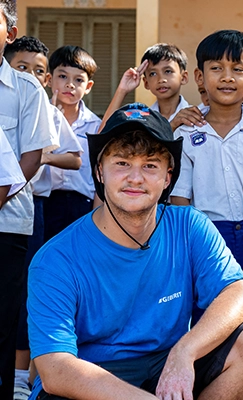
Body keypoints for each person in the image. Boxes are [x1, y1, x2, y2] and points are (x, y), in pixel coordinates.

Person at [27, 103, 243, 400]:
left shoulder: (188, 225)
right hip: (93, 375)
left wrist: (184, 351)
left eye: (150, 165)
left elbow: (239, 294)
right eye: (121, 163)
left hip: (165, 363)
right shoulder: (56, 258)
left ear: (168, 177)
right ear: (100, 171)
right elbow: (56, 369)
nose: (135, 178)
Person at [169, 30, 243, 399]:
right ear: (199, 77)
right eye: (216, 68)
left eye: (237, 69)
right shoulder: (189, 134)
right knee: (210, 328)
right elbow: (180, 201)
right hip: (207, 241)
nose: (226, 77)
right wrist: (191, 256)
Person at [5, 35, 84, 399]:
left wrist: (39, 154)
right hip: (26, 208)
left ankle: (21, 377)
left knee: (22, 296)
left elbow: (74, 157)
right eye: (24, 67)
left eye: (39, 70)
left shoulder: (42, 107)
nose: (33, 75)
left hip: (25, 211)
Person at [0, 1, 58, 397]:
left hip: (8, 222)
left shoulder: (25, 89)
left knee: (3, 321)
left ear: (9, 33)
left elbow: (32, 155)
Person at [44, 45, 101, 240]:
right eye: (63, 77)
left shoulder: (95, 125)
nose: (70, 85)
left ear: (88, 87)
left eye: (78, 80)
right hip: (45, 202)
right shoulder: (39, 119)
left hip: (82, 204)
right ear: (49, 80)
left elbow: (98, 173)